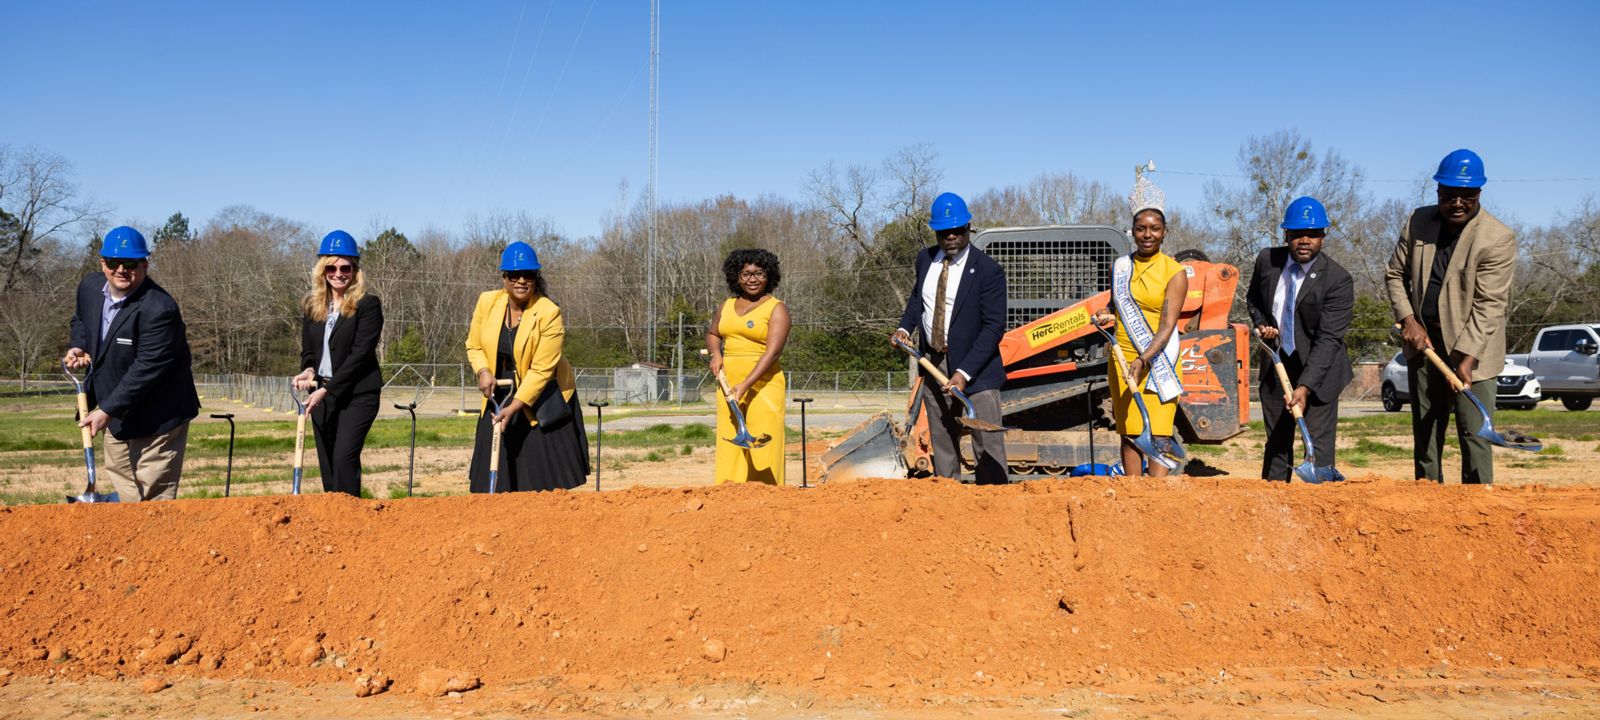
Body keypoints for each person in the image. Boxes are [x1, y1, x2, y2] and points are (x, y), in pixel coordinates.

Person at [1385, 149, 1516, 485]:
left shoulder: (1497, 238)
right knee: (1427, 432)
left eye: (1467, 196)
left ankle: (1477, 505)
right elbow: (1395, 275)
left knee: (1475, 434)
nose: (1457, 203)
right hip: (1423, 345)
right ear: (1438, 191)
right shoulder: (1418, 221)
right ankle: (1428, 500)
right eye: (1449, 195)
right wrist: (1409, 319)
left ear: (1479, 194)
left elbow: (1489, 304)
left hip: (1475, 353)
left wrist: (1467, 357)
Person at [63, 226, 200, 501]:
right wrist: (79, 345)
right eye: (113, 263)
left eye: (131, 263)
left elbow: (147, 369)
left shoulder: (159, 309)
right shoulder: (90, 288)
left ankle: (158, 543)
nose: (121, 270)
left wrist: (107, 410)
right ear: (103, 263)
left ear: (145, 264)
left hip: (159, 417)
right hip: (116, 416)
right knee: (127, 494)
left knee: (153, 496)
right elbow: (81, 319)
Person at [892, 192, 1010, 484]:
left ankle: (995, 503)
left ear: (969, 228)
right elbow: (917, 301)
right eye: (945, 232)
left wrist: (963, 373)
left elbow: (994, 326)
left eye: (958, 230)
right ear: (936, 231)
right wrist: (905, 328)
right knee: (943, 440)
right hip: (934, 364)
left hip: (977, 370)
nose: (952, 236)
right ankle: (948, 502)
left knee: (987, 444)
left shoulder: (987, 271)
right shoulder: (925, 260)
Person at [464, 241, 589, 492]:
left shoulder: (548, 312)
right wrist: (483, 371)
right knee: (495, 475)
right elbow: (474, 345)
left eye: (528, 274)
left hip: (541, 394)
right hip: (499, 388)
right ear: (504, 278)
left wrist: (516, 406)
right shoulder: (487, 302)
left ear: (535, 277)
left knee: (540, 481)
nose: (521, 280)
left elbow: (542, 370)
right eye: (514, 275)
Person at [1246, 197, 1355, 480]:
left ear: (1323, 236)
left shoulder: (1337, 280)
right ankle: (1275, 506)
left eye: (1313, 234)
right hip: (1278, 366)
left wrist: (1304, 388)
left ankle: (1321, 508)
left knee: (1317, 448)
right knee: (1277, 445)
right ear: (1286, 235)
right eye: (1296, 234)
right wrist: (1262, 324)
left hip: (1320, 372)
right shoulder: (1267, 261)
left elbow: (1328, 340)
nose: (1304, 240)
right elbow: (1254, 299)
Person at [1091, 173, 1188, 477]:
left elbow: (1168, 325)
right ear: (1132, 231)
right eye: (1141, 228)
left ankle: (1155, 499)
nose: (1147, 234)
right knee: (1131, 431)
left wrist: (1144, 359)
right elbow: (1115, 305)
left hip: (1158, 359)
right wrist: (1106, 315)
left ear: (1165, 232)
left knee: (1158, 431)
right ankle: (1134, 495)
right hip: (1122, 359)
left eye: (1155, 229)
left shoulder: (1175, 272)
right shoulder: (1120, 267)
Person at [291, 230, 384, 497]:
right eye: (331, 266)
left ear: (355, 269)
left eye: (345, 267)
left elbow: (360, 354)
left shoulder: (367, 304)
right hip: (321, 395)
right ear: (322, 269)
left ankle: (353, 521)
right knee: (329, 464)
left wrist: (327, 389)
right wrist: (309, 370)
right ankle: (334, 525)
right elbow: (309, 350)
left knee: (344, 459)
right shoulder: (313, 305)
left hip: (358, 394)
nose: (338, 273)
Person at [706, 248, 790, 485]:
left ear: (769, 276)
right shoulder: (727, 305)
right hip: (729, 384)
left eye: (759, 273)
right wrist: (715, 354)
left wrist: (746, 384)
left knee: (764, 440)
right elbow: (713, 333)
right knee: (729, 439)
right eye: (745, 274)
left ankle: (767, 494)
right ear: (736, 277)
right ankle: (729, 493)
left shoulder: (777, 308)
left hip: (763, 385)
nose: (752, 279)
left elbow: (773, 352)